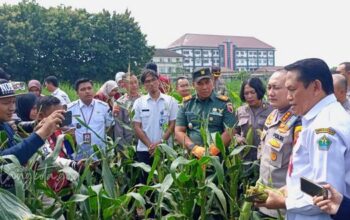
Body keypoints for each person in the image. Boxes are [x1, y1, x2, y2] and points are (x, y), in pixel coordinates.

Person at [257, 58, 350, 220]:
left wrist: (284, 201)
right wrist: (289, 189)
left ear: (316, 87)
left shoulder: (324, 129)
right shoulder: (318, 118)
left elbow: (325, 195)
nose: (288, 96)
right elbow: (311, 176)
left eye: (292, 89)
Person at [256, 70, 300, 218]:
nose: (271, 92)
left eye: (276, 88)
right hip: (265, 199)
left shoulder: (298, 121)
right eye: (269, 88)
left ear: (289, 89)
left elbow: (301, 167)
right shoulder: (272, 115)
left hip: (283, 206)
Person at [175, 67, 236, 158]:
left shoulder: (224, 103)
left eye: (207, 82)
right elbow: (179, 131)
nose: (204, 87)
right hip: (193, 157)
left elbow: (230, 131)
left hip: (217, 158)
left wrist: (212, 151)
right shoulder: (187, 104)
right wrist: (194, 148)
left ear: (212, 82)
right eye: (200, 83)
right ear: (193, 85)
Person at [0, 82, 64, 165]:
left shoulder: (5, 125)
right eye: (6, 103)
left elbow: (16, 149)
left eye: (13, 102)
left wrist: (35, 134)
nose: (13, 108)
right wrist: (39, 135)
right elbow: (5, 159)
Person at [133, 69, 178, 175]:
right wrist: (150, 146)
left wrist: (161, 143)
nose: (151, 83)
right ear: (144, 85)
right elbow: (137, 127)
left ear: (158, 81)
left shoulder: (171, 101)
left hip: (165, 149)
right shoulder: (139, 102)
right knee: (146, 184)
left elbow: (172, 125)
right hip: (144, 150)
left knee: (166, 183)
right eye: (147, 81)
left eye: (153, 80)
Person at [67, 78, 114, 160]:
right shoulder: (70, 109)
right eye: (83, 89)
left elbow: (109, 127)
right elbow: (67, 131)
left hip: (100, 154)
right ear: (77, 93)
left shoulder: (103, 107)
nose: (87, 91)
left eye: (89, 88)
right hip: (80, 156)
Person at [235, 77, 273, 161]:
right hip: (244, 159)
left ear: (259, 91)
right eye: (246, 93)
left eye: (252, 92)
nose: (249, 96)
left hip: (265, 158)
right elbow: (234, 132)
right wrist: (237, 138)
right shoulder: (240, 111)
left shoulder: (272, 110)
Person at [114, 74, 140, 150]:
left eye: (136, 82)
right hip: (128, 143)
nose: (134, 85)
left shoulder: (144, 99)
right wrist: (122, 148)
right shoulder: (120, 103)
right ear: (124, 85)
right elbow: (118, 127)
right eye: (131, 83)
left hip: (143, 143)